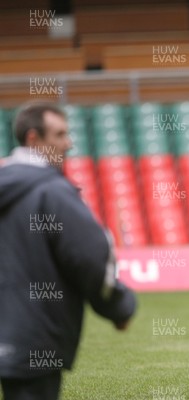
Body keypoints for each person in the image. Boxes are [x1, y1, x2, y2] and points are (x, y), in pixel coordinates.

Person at [0, 101, 136, 400]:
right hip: (33, 335)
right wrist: (118, 306)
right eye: (60, 135)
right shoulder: (52, 190)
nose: (69, 143)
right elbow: (90, 255)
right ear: (34, 139)